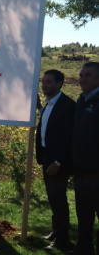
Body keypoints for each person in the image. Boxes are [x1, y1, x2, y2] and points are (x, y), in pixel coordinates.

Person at [35, 69, 75, 251]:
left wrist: (58, 162)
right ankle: (55, 231)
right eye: (43, 81)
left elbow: (69, 138)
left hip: (58, 162)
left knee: (58, 199)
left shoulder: (68, 105)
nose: (44, 85)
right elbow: (50, 122)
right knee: (52, 197)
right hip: (47, 157)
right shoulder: (50, 104)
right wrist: (39, 108)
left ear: (60, 84)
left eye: (49, 82)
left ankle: (62, 240)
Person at [69, 62, 99, 255]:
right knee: (84, 212)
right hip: (81, 169)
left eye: (87, 75)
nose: (82, 79)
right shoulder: (82, 100)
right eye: (81, 75)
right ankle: (84, 247)